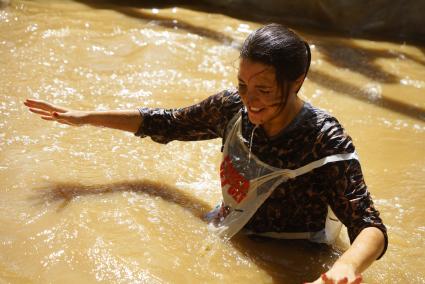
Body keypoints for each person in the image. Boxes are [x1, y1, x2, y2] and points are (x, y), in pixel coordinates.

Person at [24, 23, 387, 283]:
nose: (250, 100)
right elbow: (168, 123)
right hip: (230, 230)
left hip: (297, 259)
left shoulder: (323, 139)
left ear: (297, 83)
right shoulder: (232, 108)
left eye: (262, 88)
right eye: (243, 85)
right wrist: (87, 117)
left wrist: (346, 268)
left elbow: (368, 224)